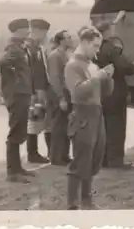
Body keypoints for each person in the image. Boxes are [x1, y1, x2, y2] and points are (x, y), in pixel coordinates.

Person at [64, 26, 115, 210]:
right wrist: (98, 77)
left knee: (95, 157)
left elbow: (104, 94)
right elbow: (77, 93)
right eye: (95, 45)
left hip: (96, 113)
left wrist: (108, 78)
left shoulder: (92, 66)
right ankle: (72, 203)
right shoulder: (72, 65)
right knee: (81, 159)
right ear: (84, 43)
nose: (97, 50)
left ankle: (87, 200)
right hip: (83, 115)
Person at [93, 20, 134, 169]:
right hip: (115, 90)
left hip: (99, 89)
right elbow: (124, 66)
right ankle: (116, 160)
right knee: (116, 126)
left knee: (103, 126)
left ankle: (103, 159)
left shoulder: (94, 47)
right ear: (107, 31)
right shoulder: (112, 48)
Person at [0, 18, 36, 183]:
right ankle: (12, 172)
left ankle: (18, 168)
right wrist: (15, 81)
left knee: (20, 131)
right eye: (25, 28)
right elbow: (3, 62)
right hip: (17, 94)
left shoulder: (21, 47)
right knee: (15, 132)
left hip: (22, 93)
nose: (28, 31)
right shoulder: (13, 47)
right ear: (17, 30)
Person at [26, 19, 52, 164]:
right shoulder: (31, 48)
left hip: (41, 88)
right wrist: (37, 91)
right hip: (35, 89)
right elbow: (34, 71)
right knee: (34, 120)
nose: (45, 35)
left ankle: (46, 151)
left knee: (43, 119)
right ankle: (32, 153)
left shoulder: (38, 47)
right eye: (44, 32)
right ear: (37, 31)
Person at [46, 29, 73, 166]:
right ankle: (56, 157)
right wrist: (61, 97)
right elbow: (55, 78)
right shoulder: (55, 56)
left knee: (65, 125)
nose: (70, 39)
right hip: (58, 94)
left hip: (66, 93)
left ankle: (64, 154)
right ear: (61, 40)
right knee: (58, 126)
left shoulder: (66, 54)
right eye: (68, 37)